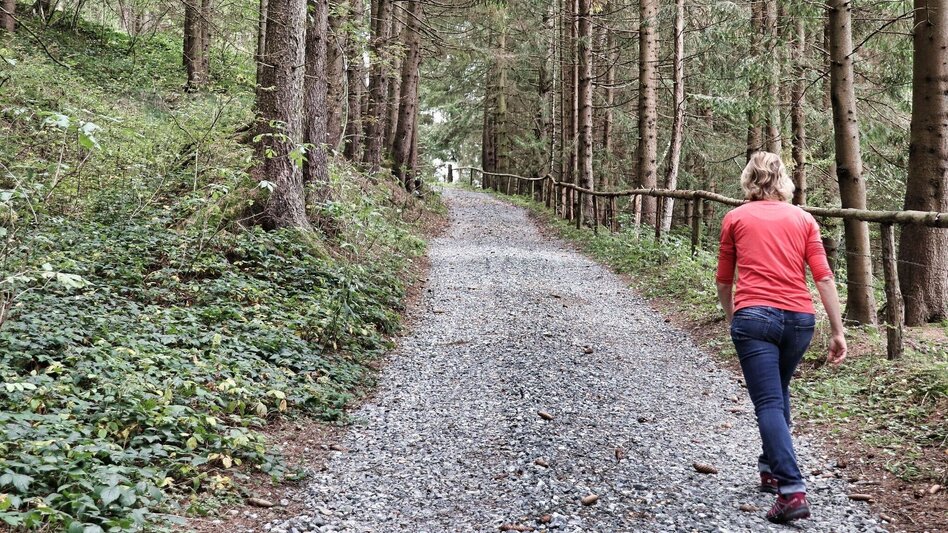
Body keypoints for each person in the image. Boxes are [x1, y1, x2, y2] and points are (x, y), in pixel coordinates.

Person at [715, 151, 848, 524]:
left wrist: (735, 317)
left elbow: (724, 280)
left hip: (755, 318)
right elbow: (823, 276)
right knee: (779, 391)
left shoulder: (736, 217)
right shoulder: (803, 218)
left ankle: (791, 490)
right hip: (800, 322)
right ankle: (770, 468)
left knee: (769, 402)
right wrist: (837, 330)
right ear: (783, 180)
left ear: (748, 180)